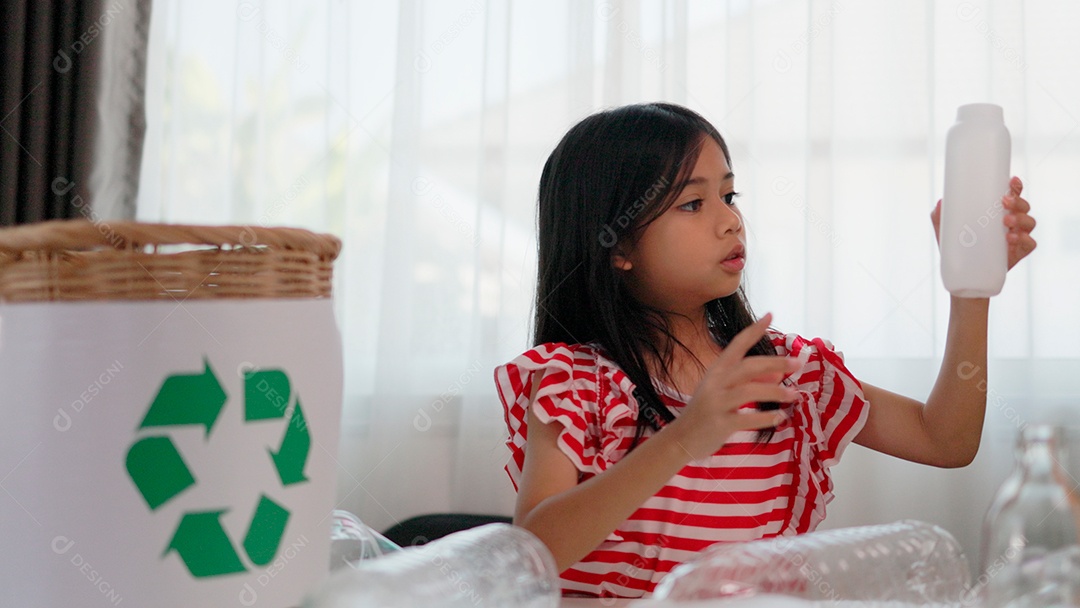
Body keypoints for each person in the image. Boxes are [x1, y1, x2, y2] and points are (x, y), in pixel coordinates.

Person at [493, 102, 1038, 599]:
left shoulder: (785, 372)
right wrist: (684, 438)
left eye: (729, 196)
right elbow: (536, 552)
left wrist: (972, 289)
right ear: (618, 246)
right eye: (692, 203)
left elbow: (945, 439)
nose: (730, 220)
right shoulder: (576, 381)